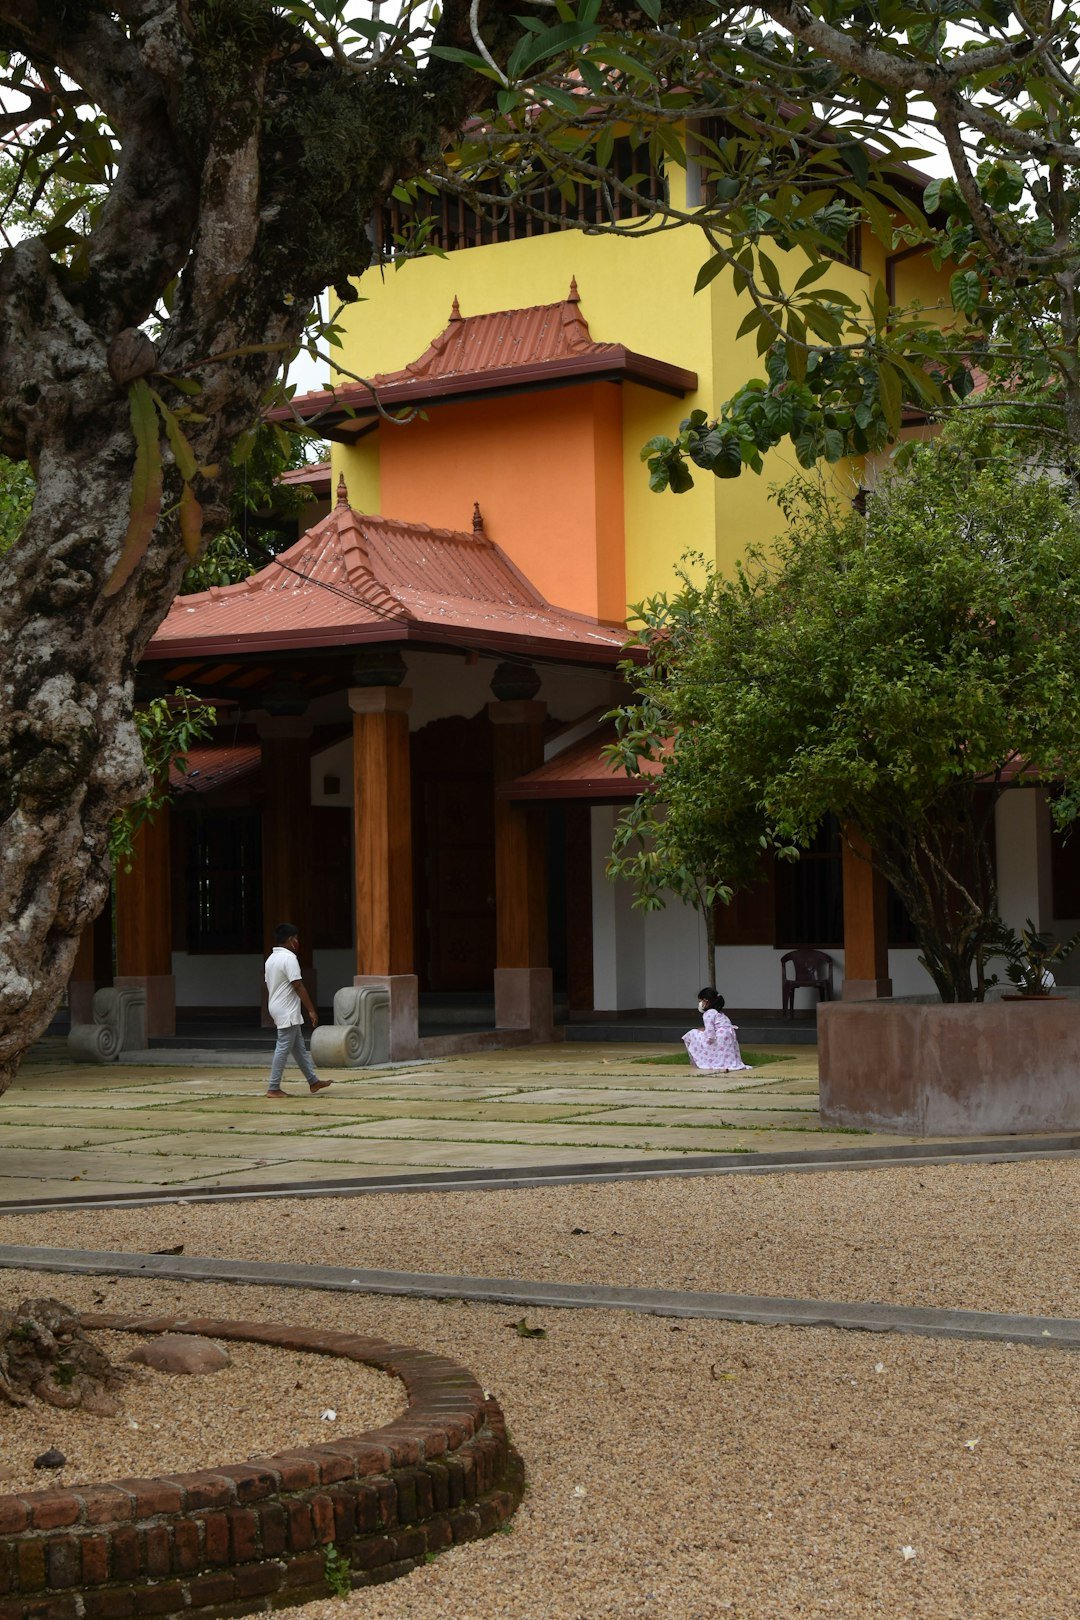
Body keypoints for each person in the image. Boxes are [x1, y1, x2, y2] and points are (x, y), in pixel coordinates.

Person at [264, 923, 332, 1098]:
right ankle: (273, 1087)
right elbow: (298, 985)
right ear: (290, 939)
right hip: (286, 1008)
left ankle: (313, 1081)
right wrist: (311, 1010)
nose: (297, 942)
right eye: (296, 938)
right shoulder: (289, 959)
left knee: (298, 1047)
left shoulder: (271, 959)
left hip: (277, 1005)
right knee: (283, 1047)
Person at [682, 987, 750, 1074]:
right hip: (727, 1038)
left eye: (700, 1001)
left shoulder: (708, 1013)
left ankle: (701, 1060)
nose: (699, 1003)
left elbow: (710, 1035)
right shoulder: (720, 1013)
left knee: (691, 1034)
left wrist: (701, 1033)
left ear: (706, 1001)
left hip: (719, 1038)